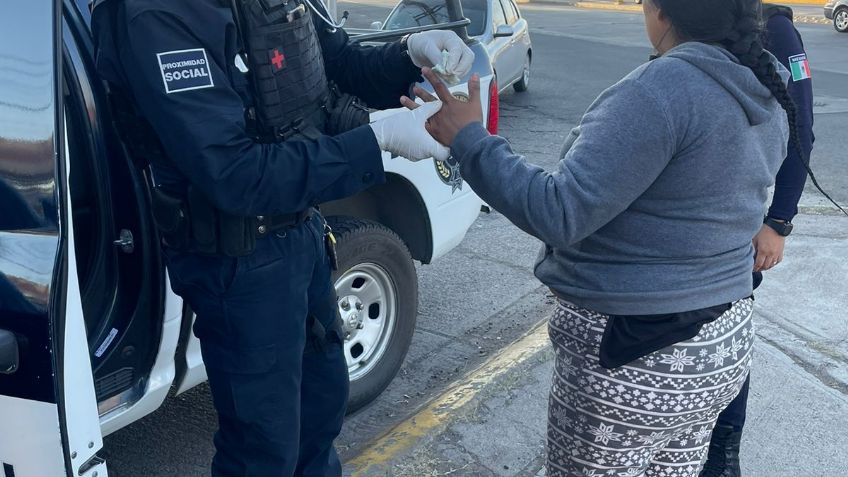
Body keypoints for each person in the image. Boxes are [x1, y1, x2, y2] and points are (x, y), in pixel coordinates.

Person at [409, 0, 794, 474]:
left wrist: (470, 139)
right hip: (721, 344)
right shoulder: (762, 78)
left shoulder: (661, 91)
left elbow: (560, 211)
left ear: (662, 12)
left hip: (637, 355)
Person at [91, 0, 469, 475]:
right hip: (239, 262)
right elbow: (233, 174)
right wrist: (377, 141)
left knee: (321, 408)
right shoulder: (157, 16)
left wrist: (410, 52)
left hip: (302, 232)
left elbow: (337, 65)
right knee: (263, 450)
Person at [700, 4, 814, 476]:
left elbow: (801, 127)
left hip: (740, 221)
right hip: (686, 215)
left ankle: (724, 450)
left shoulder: (776, 28)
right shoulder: (694, 18)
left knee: (725, 335)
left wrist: (779, 220)